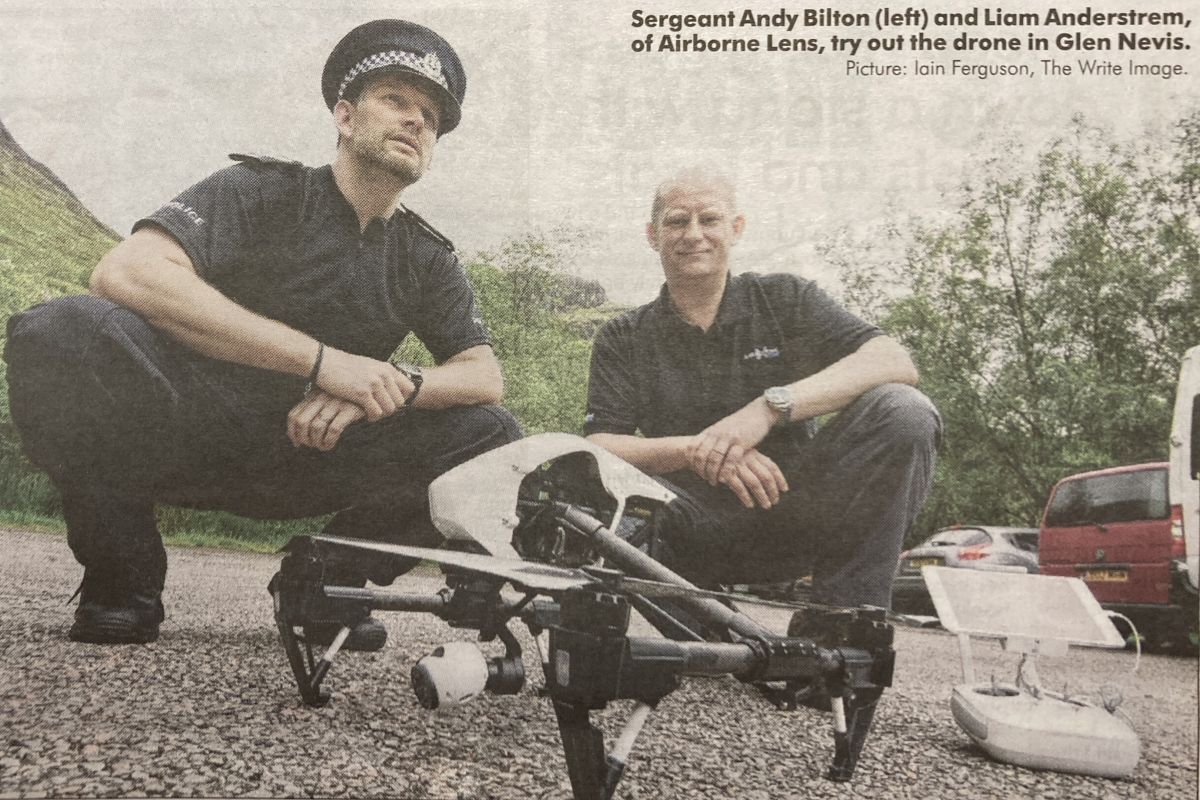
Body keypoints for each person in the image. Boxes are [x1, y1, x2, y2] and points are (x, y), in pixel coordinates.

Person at [3, 19, 521, 646]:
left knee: (492, 433)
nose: (418, 121)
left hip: (312, 454)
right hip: (185, 430)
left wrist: (387, 387)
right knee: (61, 329)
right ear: (345, 115)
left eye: (432, 117)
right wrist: (322, 362)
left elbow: (483, 374)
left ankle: (324, 583)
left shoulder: (426, 256)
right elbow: (127, 271)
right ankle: (123, 576)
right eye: (397, 100)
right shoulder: (260, 192)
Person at [584, 168, 941, 610]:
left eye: (709, 219)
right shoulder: (623, 336)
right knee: (588, 491)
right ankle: (690, 622)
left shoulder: (786, 299)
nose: (693, 234)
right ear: (652, 235)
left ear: (736, 229)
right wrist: (702, 450)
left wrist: (768, 410)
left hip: (799, 513)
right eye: (677, 221)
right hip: (689, 526)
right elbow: (599, 444)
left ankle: (843, 625)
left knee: (903, 409)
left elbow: (893, 361)